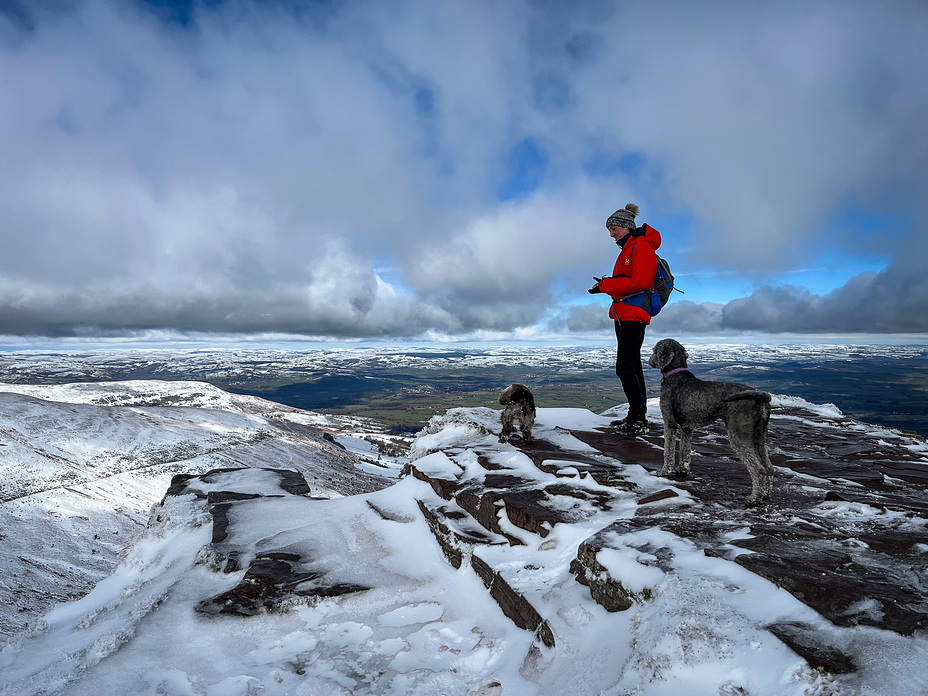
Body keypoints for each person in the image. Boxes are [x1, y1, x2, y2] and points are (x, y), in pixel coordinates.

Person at [589, 203, 661, 436]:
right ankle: (636, 416)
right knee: (632, 365)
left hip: (634, 314)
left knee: (625, 367)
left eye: (613, 228)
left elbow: (639, 282)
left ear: (626, 226)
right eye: (609, 229)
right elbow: (628, 281)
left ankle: (638, 418)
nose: (611, 234)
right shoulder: (628, 249)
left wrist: (606, 285)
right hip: (623, 314)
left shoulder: (642, 247)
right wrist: (604, 287)